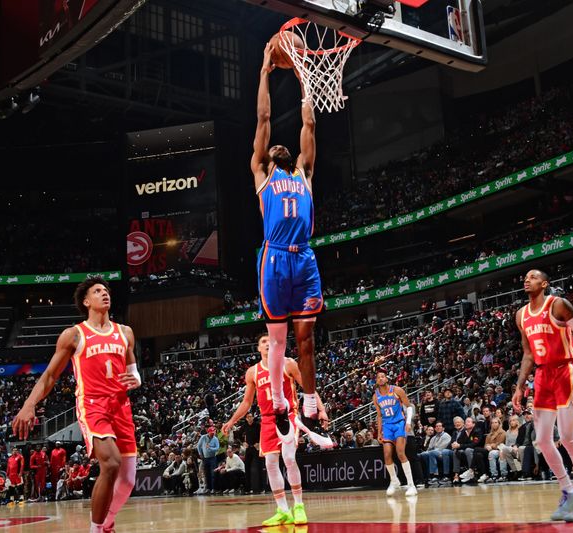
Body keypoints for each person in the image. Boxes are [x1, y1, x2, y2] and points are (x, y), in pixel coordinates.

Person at [12, 276, 141, 533]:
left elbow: (134, 372)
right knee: (111, 463)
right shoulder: (74, 335)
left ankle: (107, 523)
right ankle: (95, 529)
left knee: (127, 481)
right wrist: (29, 404)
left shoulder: (125, 332)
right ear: (86, 301)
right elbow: (49, 375)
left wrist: (135, 380)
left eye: (106, 290)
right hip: (93, 405)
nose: (105, 294)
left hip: (121, 406)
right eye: (97, 291)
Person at [251, 41, 327, 443]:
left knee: (306, 338)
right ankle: (280, 405)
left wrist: (302, 76)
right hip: (275, 259)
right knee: (278, 340)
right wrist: (265, 70)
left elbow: (309, 126)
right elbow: (263, 117)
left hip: (305, 259)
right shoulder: (262, 171)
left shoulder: (304, 173)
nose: (279, 143)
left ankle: (310, 401)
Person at [512, 269, 573, 522]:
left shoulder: (558, 304)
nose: (527, 279)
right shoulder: (521, 315)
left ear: (545, 283)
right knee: (541, 440)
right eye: (525, 277)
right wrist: (519, 386)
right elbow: (528, 354)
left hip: (566, 370)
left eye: (533, 277)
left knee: (569, 439)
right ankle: (567, 492)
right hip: (543, 375)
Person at [223, 332, 329, 526]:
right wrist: (232, 421)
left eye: (270, 341)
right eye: (263, 341)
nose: (267, 344)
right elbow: (247, 402)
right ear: (258, 348)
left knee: (288, 458)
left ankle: (298, 506)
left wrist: (321, 409)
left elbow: (308, 386)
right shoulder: (252, 372)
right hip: (267, 420)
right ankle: (283, 510)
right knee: (271, 463)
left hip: (288, 416)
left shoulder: (288, 363)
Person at [373, 369, 417, 497]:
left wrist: (408, 422)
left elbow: (409, 406)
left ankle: (411, 485)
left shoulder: (397, 390)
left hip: (399, 423)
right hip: (387, 426)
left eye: (383, 376)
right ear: (376, 381)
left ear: (386, 379)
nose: (381, 378)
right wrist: (379, 432)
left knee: (400, 453)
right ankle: (394, 481)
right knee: (387, 455)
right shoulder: (376, 396)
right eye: (378, 377)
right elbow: (379, 415)